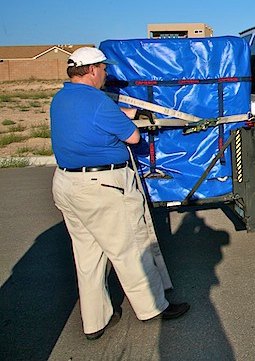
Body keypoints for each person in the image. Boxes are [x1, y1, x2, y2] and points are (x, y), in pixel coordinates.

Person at [50, 46, 189, 340]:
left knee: (87, 256)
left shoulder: (61, 98)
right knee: (129, 249)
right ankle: (153, 308)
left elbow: (92, 119)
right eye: (103, 69)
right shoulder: (98, 101)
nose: (106, 74)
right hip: (102, 186)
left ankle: (95, 321)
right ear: (91, 70)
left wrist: (120, 114)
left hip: (66, 184)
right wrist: (125, 119)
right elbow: (133, 136)